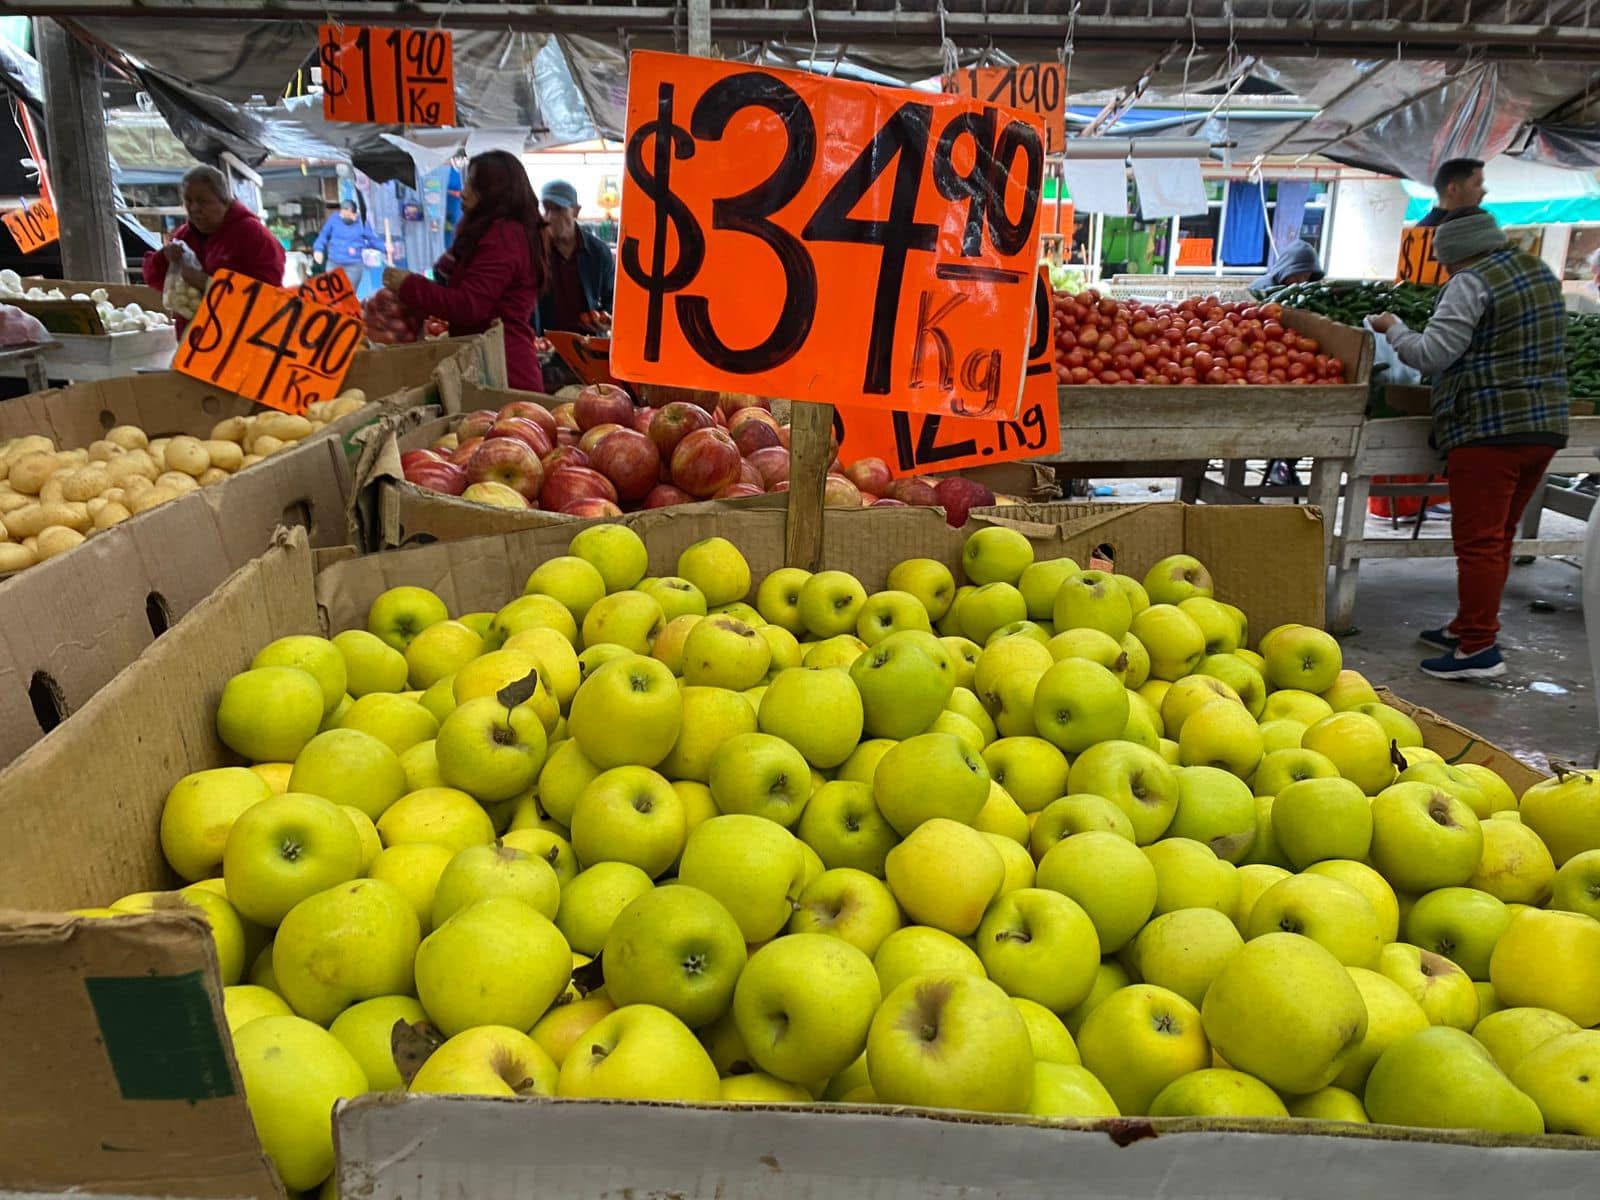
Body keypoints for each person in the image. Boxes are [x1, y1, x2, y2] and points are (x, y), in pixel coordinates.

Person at [1369, 207, 1569, 680]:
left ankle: (1478, 649)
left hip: (1489, 429)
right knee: (1498, 536)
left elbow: (1432, 355)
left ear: (1455, 254)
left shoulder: (1471, 282)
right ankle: (1469, 626)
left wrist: (1391, 328)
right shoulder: (1537, 272)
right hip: (1544, 426)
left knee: (1478, 541)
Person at [383, 150, 548, 391]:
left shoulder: (504, 237)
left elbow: (468, 306)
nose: (463, 192)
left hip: (504, 374)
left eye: (472, 184)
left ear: (492, 192)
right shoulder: (497, 232)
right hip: (490, 366)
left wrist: (409, 285)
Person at [142, 164, 285, 320]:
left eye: (203, 201)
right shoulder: (184, 236)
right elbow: (154, 279)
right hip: (192, 337)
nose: (194, 208)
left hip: (236, 339)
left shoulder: (255, 237)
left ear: (224, 201)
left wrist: (206, 282)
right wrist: (163, 257)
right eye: (188, 201)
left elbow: (268, 297)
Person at [535, 179, 615, 333]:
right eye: (546, 209)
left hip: (587, 346)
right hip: (546, 347)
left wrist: (605, 320)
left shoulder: (598, 252)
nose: (550, 217)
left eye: (558, 209)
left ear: (576, 211)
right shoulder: (536, 252)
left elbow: (612, 300)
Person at [314, 199, 385, 291]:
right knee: (332, 293)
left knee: (348, 294)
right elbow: (323, 235)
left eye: (349, 216)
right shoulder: (334, 219)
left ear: (355, 214)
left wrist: (385, 247)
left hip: (354, 265)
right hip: (334, 262)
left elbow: (373, 240)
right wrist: (318, 249)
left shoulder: (362, 222)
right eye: (343, 215)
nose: (345, 218)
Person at [1415, 158, 1486, 229]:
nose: (1484, 191)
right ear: (1453, 189)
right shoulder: (1461, 230)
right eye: (1478, 184)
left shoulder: (1419, 230)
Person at [1249, 239, 1324, 297]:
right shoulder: (1262, 288)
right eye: (1295, 276)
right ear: (1283, 271)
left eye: (1305, 276)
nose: (1301, 281)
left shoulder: (1304, 294)